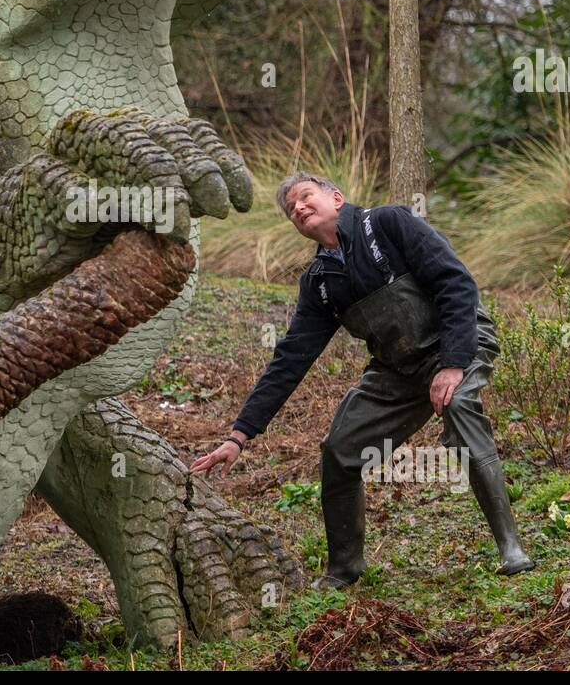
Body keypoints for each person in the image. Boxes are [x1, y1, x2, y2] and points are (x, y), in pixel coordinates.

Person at [190, 173, 534, 589]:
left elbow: (456, 283)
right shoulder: (318, 284)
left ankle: (511, 546)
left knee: (459, 405)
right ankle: (343, 569)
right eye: (291, 211)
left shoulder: (388, 223)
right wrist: (239, 435)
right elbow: (290, 360)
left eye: (305, 197)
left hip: (457, 343)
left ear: (336, 198)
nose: (298, 209)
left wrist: (453, 363)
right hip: (398, 369)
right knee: (340, 449)